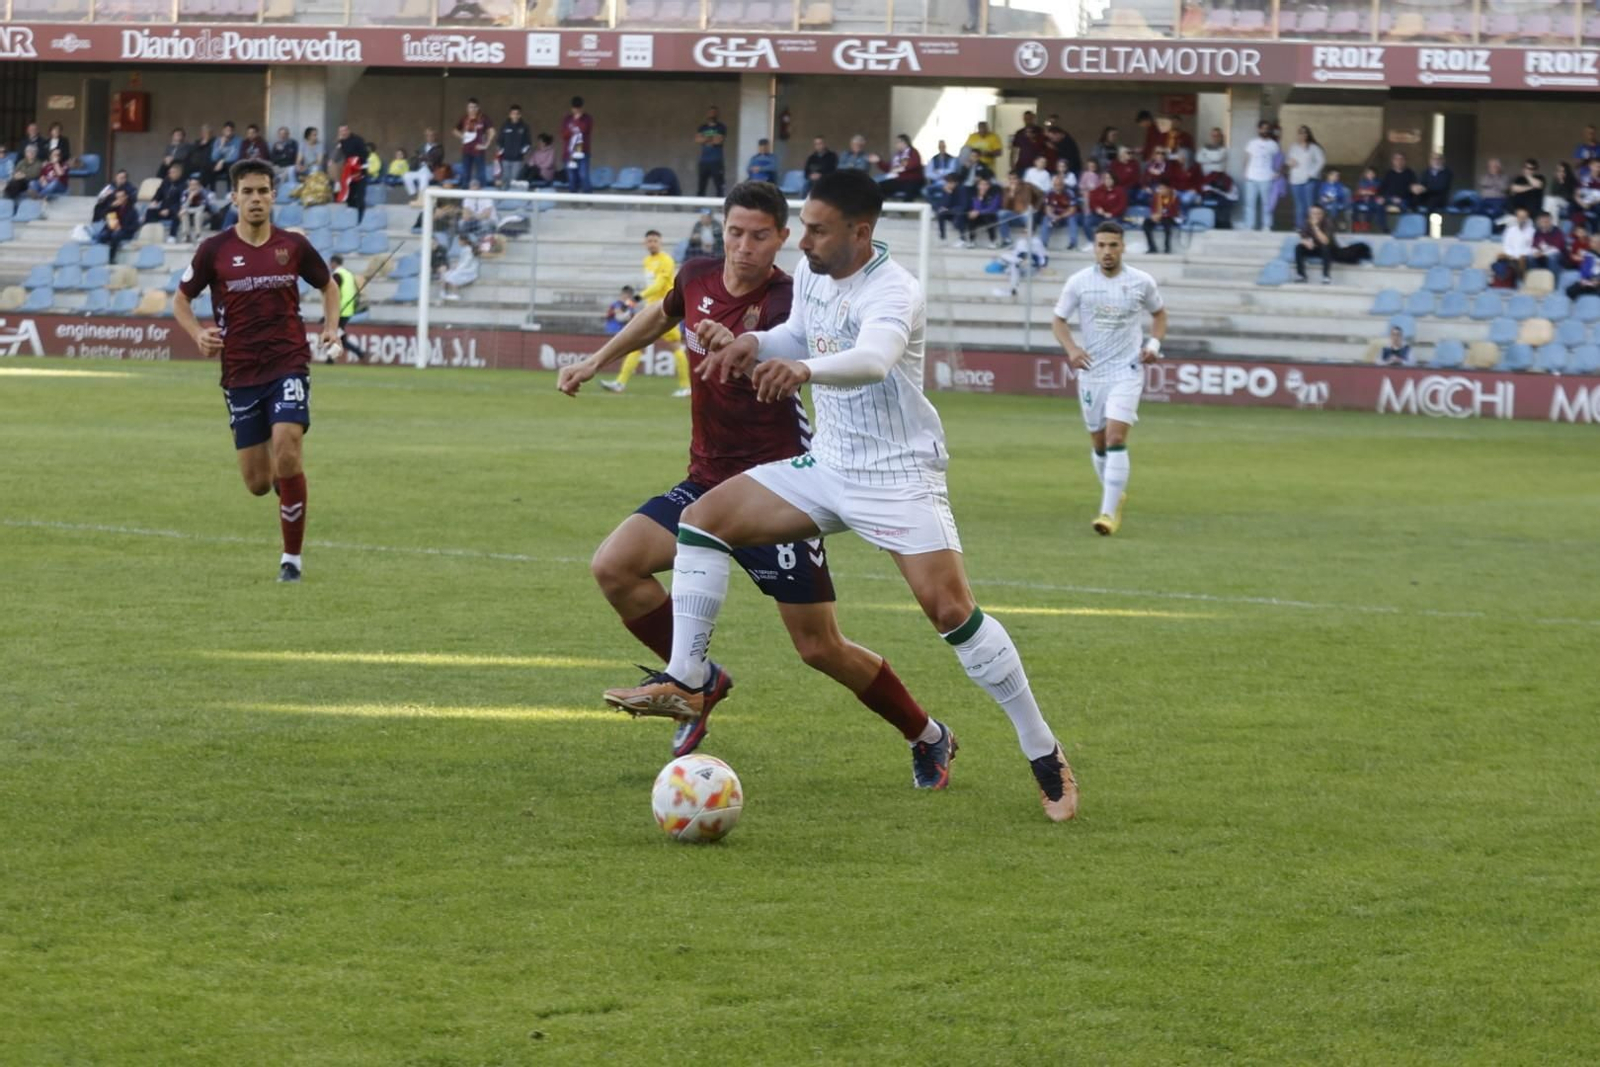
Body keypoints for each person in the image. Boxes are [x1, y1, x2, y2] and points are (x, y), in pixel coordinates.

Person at [603, 170, 1077, 820]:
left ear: (861, 230)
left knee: (950, 612)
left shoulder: (895, 290)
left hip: (897, 475)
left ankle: (1042, 748)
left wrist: (800, 369)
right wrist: (753, 344)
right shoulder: (818, 279)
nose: (804, 240)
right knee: (702, 519)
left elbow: (873, 359)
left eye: (817, 229)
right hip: (827, 465)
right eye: (804, 225)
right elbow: (796, 335)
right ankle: (688, 677)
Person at [559, 181, 952, 773]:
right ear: (721, 231)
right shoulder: (695, 277)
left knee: (819, 647)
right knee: (615, 566)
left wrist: (743, 348)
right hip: (706, 483)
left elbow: (789, 360)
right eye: (735, 233)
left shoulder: (793, 299)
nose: (745, 247)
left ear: (783, 238)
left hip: (781, 492)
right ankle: (696, 677)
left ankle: (926, 734)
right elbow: (659, 314)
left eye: (760, 236)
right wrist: (596, 360)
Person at [173, 158, 340, 584]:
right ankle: (288, 487)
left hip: (288, 362)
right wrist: (197, 335)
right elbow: (181, 301)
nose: (256, 199)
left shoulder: (293, 246)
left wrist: (331, 328)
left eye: (263, 191)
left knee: (287, 445)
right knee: (259, 483)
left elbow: (328, 285)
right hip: (241, 372)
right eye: (247, 192)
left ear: (273, 196)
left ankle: (292, 561)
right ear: (234, 197)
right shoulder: (214, 250)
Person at [1052, 220, 1167, 544]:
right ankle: (1116, 497)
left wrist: (1154, 345)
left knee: (1116, 436)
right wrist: (1072, 348)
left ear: (1123, 247)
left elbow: (1159, 314)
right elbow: (1058, 320)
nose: (1106, 251)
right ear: (1095, 247)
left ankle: (1107, 513)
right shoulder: (1079, 282)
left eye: (1113, 245)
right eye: (1101, 245)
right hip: (1092, 373)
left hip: (1127, 371)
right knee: (1099, 443)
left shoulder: (1141, 282)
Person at [600, 229, 692, 397]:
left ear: (661, 242)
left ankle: (686, 386)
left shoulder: (666, 260)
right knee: (636, 345)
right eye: (649, 241)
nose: (652, 244)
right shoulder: (647, 260)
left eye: (655, 241)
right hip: (650, 309)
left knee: (675, 347)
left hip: (666, 310)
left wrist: (637, 297)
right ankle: (620, 383)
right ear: (644, 243)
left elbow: (659, 284)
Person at [327, 254, 366, 362]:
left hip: (339, 310)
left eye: (330, 263)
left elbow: (334, 293)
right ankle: (359, 353)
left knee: (334, 335)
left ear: (334, 263)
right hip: (348, 310)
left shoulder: (337, 275)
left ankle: (331, 359)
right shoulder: (348, 274)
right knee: (339, 336)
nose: (330, 265)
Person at [1240, 120, 1278, 232]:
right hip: (1251, 177)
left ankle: (1267, 225)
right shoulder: (1252, 143)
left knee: (1267, 203)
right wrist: (1245, 172)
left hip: (1267, 177)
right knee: (1249, 203)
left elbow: (1278, 160)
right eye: (1263, 128)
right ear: (1258, 129)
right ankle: (1249, 225)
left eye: (1267, 128)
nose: (1265, 130)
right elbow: (1247, 158)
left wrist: (1276, 173)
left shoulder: (1273, 144)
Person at [1287, 126, 1325, 231]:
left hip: (1310, 180)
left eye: (1305, 133)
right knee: (1299, 205)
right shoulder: (1293, 147)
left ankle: (1312, 226)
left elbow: (1321, 161)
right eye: (1300, 133)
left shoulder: (1314, 147)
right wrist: (1290, 162)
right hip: (1295, 180)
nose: (1303, 135)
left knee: (1310, 204)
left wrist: (1312, 173)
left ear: (1308, 135)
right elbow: (1288, 160)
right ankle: (1300, 226)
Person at [455, 98, 494, 189]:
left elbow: (492, 131)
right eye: (470, 107)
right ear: (467, 108)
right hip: (466, 150)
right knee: (465, 173)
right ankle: (465, 198)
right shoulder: (464, 118)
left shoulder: (483, 118)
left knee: (481, 173)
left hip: (478, 150)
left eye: (474, 107)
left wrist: (486, 145)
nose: (472, 109)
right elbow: (455, 130)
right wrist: (462, 136)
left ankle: (483, 197)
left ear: (478, 108)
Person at [143, 162, 187, 241]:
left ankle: (172, 236)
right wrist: (155, 201)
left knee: (177, 216)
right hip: (163, 209)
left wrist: (169, 210)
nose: (170, 174)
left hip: (174, 210)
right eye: (170, 172)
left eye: (173, 173)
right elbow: (159, 192)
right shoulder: (166, 181)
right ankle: (148, 233)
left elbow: (182, 201)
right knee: (150, 211)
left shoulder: (183, 184)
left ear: (178, 173)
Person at [873, 133, 923, 201]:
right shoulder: (897, 155)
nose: (895, 144)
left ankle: (904, 210)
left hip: (911, 181)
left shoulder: (913, 152)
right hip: (898, 180)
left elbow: (914, 164)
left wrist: (900, 169)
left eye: (897, 142)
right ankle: (883, 207)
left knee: (910, 191)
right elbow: (889, 169)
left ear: (903, 142)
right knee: (879, 186)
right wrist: (879, 161)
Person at [1295, 204, 1335, 284]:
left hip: (1326, 251)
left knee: (1325, 247)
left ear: (1322, 214)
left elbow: (1325, 241)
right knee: (1298, 247)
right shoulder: (1306, 222)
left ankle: (1326, 276)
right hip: (1313, 248)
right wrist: (1306, 242)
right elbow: (1303, 237)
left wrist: (1315, 226)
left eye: (1318, 213)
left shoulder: (1328, 222)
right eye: (1313, 213)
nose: (1315, 216)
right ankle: (1302, 275)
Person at [335, 124, 368, 221]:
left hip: (360, 171)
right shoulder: (341, 142)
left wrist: (356, 161)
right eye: (341, 131)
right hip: (349, 172)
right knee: (350, 196)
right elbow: (337, 156)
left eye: (345, 131)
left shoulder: (358, 140)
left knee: (360, 196)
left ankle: (360, 219)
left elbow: (365, 154)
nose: (343, 133)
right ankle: (352, 219)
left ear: (349, 130)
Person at [1496, 206, 1535, 287]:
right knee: (1500, 256)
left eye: (1524, 217)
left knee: (1522, 259)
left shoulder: (1532, 231)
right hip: (1511, 256)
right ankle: (1503, 282)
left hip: (1524, 257)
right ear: (1516, 218)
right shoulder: (1510, 230)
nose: (1522, 219)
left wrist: (1519, 256)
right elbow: (1506, 245)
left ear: (1527, 218)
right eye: (1520, 217)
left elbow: (1531, 247)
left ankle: (1521, 281)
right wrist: (1512, 255)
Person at [561, 96, 593, 193]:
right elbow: (564, 135)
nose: (577, 110)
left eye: (579, 108)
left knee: (583, 175)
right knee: (571, 177)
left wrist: (577, 121)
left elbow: (584, 130)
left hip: (582, 152)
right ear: (572, 108)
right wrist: (574, 123)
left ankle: (588, 200)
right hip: (569, 153)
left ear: (582, 108)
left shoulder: (587, 118)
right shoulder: (567, 119)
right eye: (575, 108)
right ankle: (573, 202)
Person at [694, 105, 728, 197]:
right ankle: (699, 209)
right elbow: (697, 140)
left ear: (717, 114)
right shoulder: (702, 127)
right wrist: (712, 139)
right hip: (704, 161)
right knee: (701, 187)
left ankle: (720, 209)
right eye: (711, 112)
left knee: (719, 187)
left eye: (714, 112)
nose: (712, 114)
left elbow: (719, 140)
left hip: (716, 161)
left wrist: (705, 139)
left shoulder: (721, 127)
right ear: (707, 114)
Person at [495, 105, 530, 189]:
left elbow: (528, 143)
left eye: (517, 114)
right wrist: (500, 150)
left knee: (514, 181)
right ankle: (503, 201)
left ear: (520, 115)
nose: (515, 115)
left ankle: (513, 202)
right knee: (505, 180)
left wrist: (521, 152)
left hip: (517, 160)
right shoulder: (505, 126)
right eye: (513, 113)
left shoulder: (524, 127)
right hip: (505, 159)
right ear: (509, 115)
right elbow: (499, 141)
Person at [960, 175, 1001, 247]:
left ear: (989, 186)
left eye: (986, 184)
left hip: (991, 216)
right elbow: (975, 208)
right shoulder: (975, 195)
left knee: (987, 217)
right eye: (981, 184)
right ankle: (971, 241)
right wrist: (979, 198)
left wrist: (978, 212)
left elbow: (992, 208)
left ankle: (993, 241)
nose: (983, 187)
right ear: (978, 186)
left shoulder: (995, 194)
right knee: (971, 217)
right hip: (979, 216)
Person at [1041, 173, 1078, 250]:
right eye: (1056, 185)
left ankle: (1073, 243)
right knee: (1046, 218)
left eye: (1060, 184)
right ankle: (1043, 243)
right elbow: (1047, 209)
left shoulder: (1069, 193)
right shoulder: (1049, 193)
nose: (1057, 187)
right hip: (1054, 217)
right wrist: (1053, 216)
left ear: (1063, 184)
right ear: (1053, 184)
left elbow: (1072, 210)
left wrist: (1060, 217)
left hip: (1065, 217)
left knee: (1072, 218)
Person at [96, 190, 136, 261]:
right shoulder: (114, 208)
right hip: (111, 229)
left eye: (121, 197)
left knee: (115, 235)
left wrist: (121, 228)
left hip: (125, 231)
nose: (119, 199)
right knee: (102, 236)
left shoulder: (132, 210)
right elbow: (102, 215)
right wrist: (111, 207)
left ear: (125, 197)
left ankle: (111, 258)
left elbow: (134, 226)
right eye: (117, 197)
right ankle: (100, 257)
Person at [405, 130, 444, 202]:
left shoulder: (439, 148)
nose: (429, 137)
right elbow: (416, 157)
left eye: (431, 136)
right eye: (427, 136)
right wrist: (419, 158)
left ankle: (422, 199)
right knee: (406, 175)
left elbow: (435, 159)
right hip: (420, 169)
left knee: (424, 177)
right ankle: (414, 195)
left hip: (431, 171)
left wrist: (423, 157)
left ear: (435, 137)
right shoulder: (421, 147)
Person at [1143, 181, 1181, 254]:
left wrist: (1161, 215)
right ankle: (1152, 248)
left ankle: (1167, 248)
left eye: (1162, 188)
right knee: (1146, 224)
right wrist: (1154, 215)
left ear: (1168, 189)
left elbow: (1174, 211)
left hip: (1170, 217)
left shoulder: (1174, 197)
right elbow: (1153, 208)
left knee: (1167, 225)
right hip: (1158, 216)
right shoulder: (1156, 196)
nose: (1160, 190)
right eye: (1159, 188)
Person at [929, 173, 967, 243]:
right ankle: (942, 236)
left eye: (951, 183)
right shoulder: (946, 189)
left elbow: (963, 205)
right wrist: (948, 194)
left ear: (956, 183)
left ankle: (962, 239)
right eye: (947, 182)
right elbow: (944, 204)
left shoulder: (962, 189)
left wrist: (949, 209)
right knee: (941, 214)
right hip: (950, 211)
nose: (948, 184)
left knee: (959, 214)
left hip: (960, 211)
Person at [440, 232, 479, 299]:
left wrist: (457, 268)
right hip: (463, 269)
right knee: (446, 274)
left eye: (459, 241)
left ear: (463, 241)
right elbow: (462, 262)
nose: (458, 242)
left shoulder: (469, 250)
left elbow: (466, 263)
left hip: (469, 271)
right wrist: (456, 266)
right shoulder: (464, 249)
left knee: (454, 275)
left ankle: (455, 294)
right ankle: (443, 292)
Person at [1565, 233, 1600, 299]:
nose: (1590, 243)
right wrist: (1584, 280)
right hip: (1588, 282)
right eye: (1591, 241)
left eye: (1593, 242)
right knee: (1570, 290)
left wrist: (1598, 281)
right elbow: (1585, 270)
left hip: (1598, 283)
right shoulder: (1589, 254)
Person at [209, 122, 240, 190]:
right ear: (223, 131)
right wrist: (221, 145)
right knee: (210, 166)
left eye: (230, 130)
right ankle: (213, 192)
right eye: (227, 130)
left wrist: (222, 161)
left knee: (231, 167)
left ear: (233, 131)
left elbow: (235, 157)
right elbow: (214, 157)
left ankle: (230, 192)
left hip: (230, 163)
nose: (228, 132)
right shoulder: (218, 141)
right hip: (219, 164)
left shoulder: (238, 141)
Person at [179, 177, 208, 243]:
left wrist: (187, 210)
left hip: (205, 214)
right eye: (191, 185)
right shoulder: (185, 193)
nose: (193, 187)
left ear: (199, 185)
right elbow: (183, 206)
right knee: (184, 214)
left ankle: (198, 235)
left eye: (195, 184)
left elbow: (202, 207)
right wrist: (189, 198)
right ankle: (187, 236)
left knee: (198, 214)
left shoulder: (203, 192)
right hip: (190, 214)